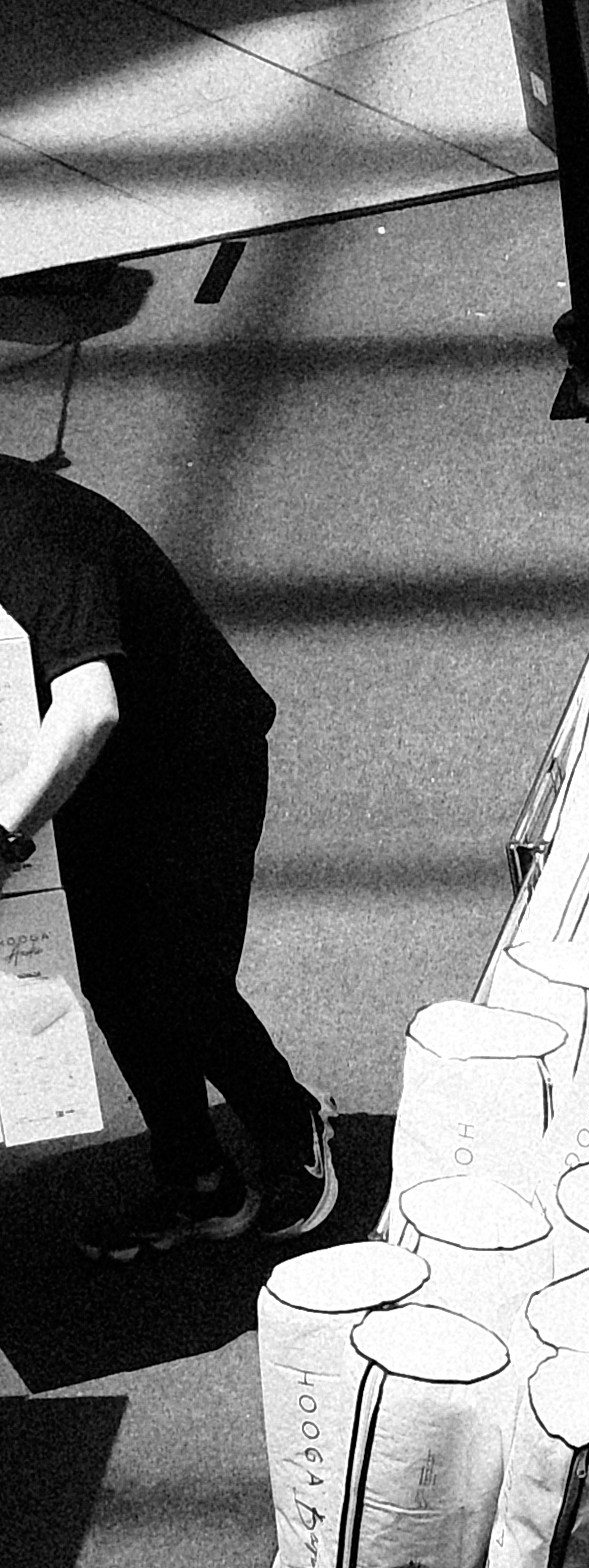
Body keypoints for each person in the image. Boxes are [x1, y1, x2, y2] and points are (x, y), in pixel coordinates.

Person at [0, 455, 333, 1265]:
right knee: (115, 983)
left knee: (180, 978)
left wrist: (3, 833)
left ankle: (291, 1123)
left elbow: (89, 710)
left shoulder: (36, 533)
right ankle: (198, 1178)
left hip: (190, 762)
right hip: (90, 785)